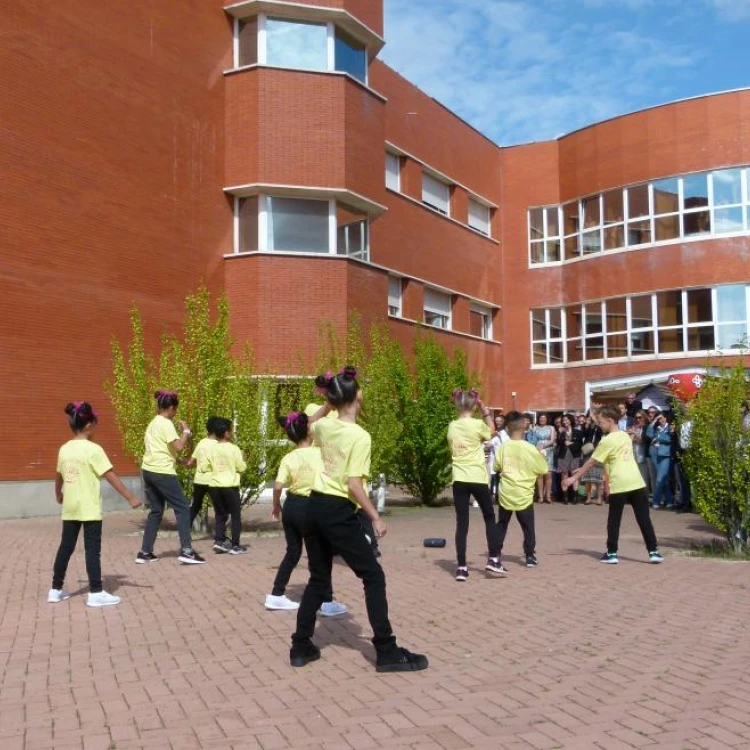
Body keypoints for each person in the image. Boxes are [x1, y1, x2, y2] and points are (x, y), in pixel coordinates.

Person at [290, 367, 428, 673]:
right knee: (373, 576)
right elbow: (354, 483)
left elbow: (307, 422)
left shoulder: (325, 427)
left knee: (318, 578)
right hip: (338, 510)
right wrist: (375, 517)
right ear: (357, 395)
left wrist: (328, 403)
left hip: (313, 507)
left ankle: (300, 646)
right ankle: (386, 650)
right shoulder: (360, 436)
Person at [51, 402, 142, 607]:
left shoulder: (64, 449)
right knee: (93, 550)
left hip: (71, 507)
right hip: (88, 508)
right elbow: (109, 475)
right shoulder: (94, 449)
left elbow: (58, 476)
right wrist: (130, 497)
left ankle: (55, 589)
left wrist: (59, 494)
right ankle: (95, 592)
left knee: (66, 547)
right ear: (89, 425)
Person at [265, 411, 347, 616]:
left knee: (293, 552)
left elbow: (277, 486)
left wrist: (276, 506)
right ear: (309, 432)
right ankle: (326, 601)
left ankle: (276, 594)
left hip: (291, 505)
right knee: (321, 554)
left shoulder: (289, 457)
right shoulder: (319, 453)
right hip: (312, 505)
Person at [564, 405, 663, 565]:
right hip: (636, 482)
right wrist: (581, 468)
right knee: (644, 518)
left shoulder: (606, 440)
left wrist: (573, 478)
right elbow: (607, 459)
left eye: (601, 422)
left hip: (619, 483)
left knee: (614, 520)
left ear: (610, 421)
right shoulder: (624, 436)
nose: (600, 425)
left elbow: (592, 461)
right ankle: (654, 552)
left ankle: (612, 553)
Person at [136, 390, 206, 565]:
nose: (176, 414)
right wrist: (186, 432)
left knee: (156, 510)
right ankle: (187, 551)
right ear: (171, 408)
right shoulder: (166, 423)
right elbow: (179, 445)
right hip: (163, 472)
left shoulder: (153, 423)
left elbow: (162, 448)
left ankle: (145, 552)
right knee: (182, 508)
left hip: (149, 470)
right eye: (176, 409)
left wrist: (179, 461)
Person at [447, 389, 504, 582]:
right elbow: (492, 432)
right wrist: (485, 410)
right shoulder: (478, 424)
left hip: (459, 478)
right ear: (473, 406)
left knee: (462, 523)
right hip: (478, 477)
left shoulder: (452, 426)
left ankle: (461, 567)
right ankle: (493, 558)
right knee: (489, 517)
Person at [493, 411, 549, 570]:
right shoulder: (530, 448)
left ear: (508, 429)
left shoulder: (503, 447)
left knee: (502, 525)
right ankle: (530, 555)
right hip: (524, 493)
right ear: (523, 427)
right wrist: (541, 455)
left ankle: (495, 554)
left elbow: (496, 467)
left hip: (506, 493)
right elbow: (543, 469)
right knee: (528, 527)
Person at [205, 417, 248, 554]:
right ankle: (235, 545)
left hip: (214, 486)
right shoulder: (234, 449)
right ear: (227, 433)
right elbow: (241, 468)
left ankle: (219, 541)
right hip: (230, 485)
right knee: (235, 515)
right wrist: (243, 459)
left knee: (220, 514)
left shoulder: (211, 449)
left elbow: (205, 467)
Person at [187, 417, 218, 527]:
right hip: (212, 480)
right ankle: (220, 536)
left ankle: (185, 531)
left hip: (199, 480)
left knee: (195, 506)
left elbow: (190, 462)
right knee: (219, 507)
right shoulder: (218, 445)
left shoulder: (201, 443)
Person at [649, 412, 675, 510]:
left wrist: (658, 437)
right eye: (659, 419)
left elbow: (669, 438)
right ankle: (669, 500)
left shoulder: (670, 427)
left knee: (660, 479)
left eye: (661, 418)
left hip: (665, 455)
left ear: (666, 418)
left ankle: (656, 501)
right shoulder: (657, 427)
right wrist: (654, 420)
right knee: (663, 479)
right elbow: (649, 433)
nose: (660, 420)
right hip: (655, 454)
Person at [555, 414, 583, 504]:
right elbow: (558, 443)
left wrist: (571, 444)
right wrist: (562, 439)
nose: (565, 422)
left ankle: (575, 496)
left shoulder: (578, 431)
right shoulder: (561, 432)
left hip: (575, 455)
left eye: (566, 420)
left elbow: (579, 444)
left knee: (574, 473)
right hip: (563, 455)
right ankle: (565, 497)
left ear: (571, 420)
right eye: (563, 420)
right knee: (564, 474)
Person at [531, 413, 556, 504]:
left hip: (548, 451)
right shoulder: (534, 428)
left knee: (548, 474)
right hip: (537, 451)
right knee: (539, 474)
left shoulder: (551, 428)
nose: (542, 419)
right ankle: (540, 496)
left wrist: (543, 445)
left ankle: (548, 496)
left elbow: (552, 440)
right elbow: (532, 440)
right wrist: (538, 447)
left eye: (544, 418)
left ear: (547, 419)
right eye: (540, 418)